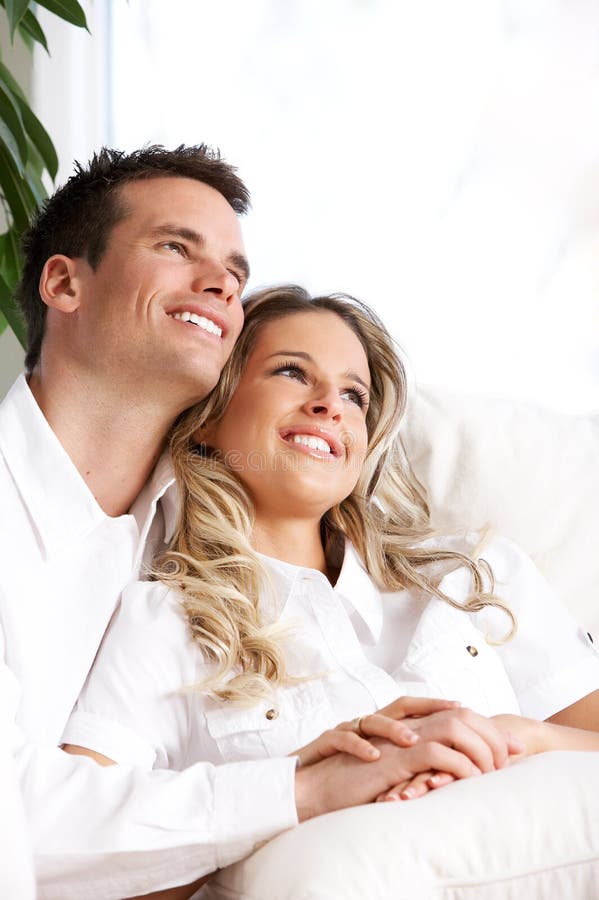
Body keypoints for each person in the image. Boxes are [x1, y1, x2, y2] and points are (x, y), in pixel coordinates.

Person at [0, 147, 504, 900]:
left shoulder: (206, 517)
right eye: (175, 247)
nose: (219, 286)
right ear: (65, 282)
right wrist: (297, 788)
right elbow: (19, 828)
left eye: (235, 277)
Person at [62, 285, 599, 894]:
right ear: (210, 414)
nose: (330, 406)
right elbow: (83, 858)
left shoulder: (471, 573)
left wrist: (519, 737)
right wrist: (297, 787)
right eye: (292, 372)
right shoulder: (167, 619)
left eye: (354, 394)